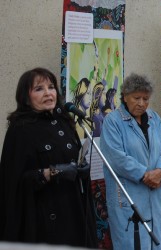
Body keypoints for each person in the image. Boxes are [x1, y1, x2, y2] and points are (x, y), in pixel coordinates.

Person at [0, 68, 97, 247]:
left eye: (51, 87)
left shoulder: (64, 121)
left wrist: (82, 169)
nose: (48, 93)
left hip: (73, 209)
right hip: (43, 218)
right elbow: (14, 183)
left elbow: (73, 158)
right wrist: (52, 172)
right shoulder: (19, 129)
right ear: (26, 97)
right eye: (39, 89)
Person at [100, 73, 161, 250]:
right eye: (137, 98)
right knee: (133, 241)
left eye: (146, 99)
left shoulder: (154, 118)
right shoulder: (113, 121)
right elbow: (115, 157)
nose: (142, 103)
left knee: (158, 240)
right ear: (125, 96)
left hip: (156, 192)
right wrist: (145, 175)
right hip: (129, 193)